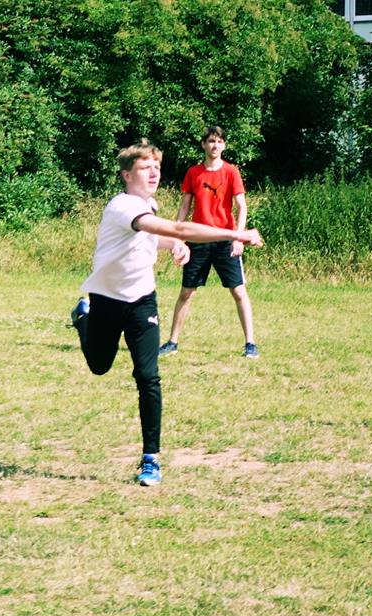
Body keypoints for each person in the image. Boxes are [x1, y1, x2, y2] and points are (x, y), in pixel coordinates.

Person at [70, 140, 263, 486]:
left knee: (148, 376)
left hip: (142, 300)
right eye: (145, 168)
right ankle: (83, 316)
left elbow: (157, 237)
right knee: (99, 365)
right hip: (106, 299)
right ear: (127, 175)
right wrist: (236, 234)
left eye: (157, 167)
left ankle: (151, 459)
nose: (154, 173)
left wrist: (174, 245)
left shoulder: (149, 205)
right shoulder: (122, 206)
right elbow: (179, 227)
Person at [158, 126, 258, 358]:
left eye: (219, 141)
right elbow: (184, 206)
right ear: (204, 144)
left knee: (238, 291)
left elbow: (242, 207)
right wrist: (178, 238)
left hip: (225, 240)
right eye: (211, 141)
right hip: (198, 240)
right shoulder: (193, 173)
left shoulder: (231, 172)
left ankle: (250, 343)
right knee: (187, 292)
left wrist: (239, 238)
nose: (215, 145)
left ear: (224, 145)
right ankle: (172, 342)